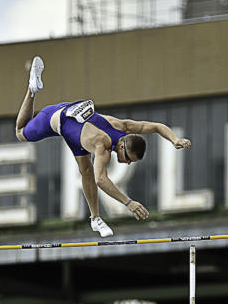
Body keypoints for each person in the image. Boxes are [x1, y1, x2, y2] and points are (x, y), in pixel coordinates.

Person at [16, 56, 191, 237]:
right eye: (129, 159)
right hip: (55, 119)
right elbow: (101, 180)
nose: (128, 164)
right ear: (122, 148)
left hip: (71, 117)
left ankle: (95, 218)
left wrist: (174, 139)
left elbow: (155, 126)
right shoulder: (103, 146)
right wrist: (128, 202)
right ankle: (32, 90)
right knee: (20, 133)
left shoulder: (122, 126)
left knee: (85, 169)